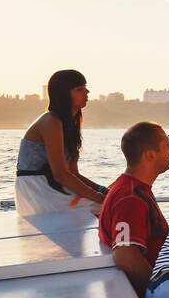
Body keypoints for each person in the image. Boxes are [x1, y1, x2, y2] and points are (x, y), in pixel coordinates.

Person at [15, 69, 109, 215]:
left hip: (53, 186)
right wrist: (101, 198)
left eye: (85, 87)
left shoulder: (69, 125)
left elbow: (73, 173)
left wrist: (103, 190)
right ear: (64, 95)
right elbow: (61, 174)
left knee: (111, 204)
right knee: (109, 207)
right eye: (80, 89)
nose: (87, 92)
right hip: (38, 189)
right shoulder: (51, 121)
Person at [99, 122, 169, 297]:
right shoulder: (130, 198)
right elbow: (125, 255)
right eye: (167, 146)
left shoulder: (133, 189)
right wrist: (162, 294)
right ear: (150, 155)